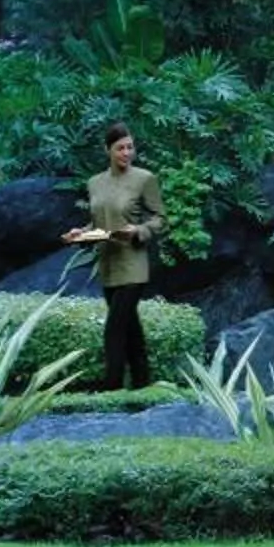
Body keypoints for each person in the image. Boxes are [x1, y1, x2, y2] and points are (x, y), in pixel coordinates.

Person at [66, 122, 166, 389]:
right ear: (107, 150)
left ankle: (110, 387)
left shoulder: (144, 179)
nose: (126, 153)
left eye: (130, 147)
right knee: (131, 329)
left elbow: (160, 219)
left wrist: (140, 229)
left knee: (114, 329)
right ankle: (143, 385)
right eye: (120, 148)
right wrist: (80, 234)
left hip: (134, 265)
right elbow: (97, 223)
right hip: (109, 266)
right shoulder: (94, 183)